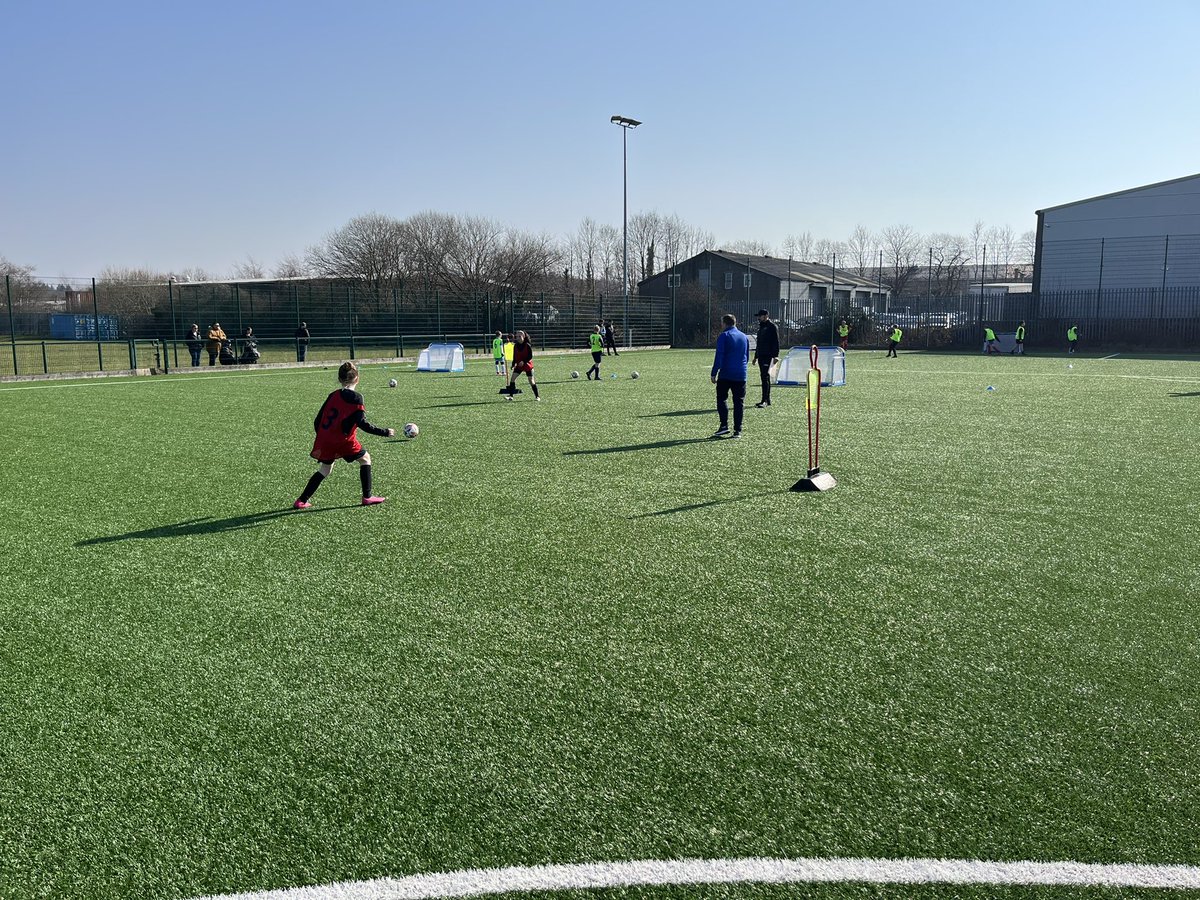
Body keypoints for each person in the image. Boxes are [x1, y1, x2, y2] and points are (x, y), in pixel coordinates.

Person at [294, 361, 394, 509]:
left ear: (339, 379)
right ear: (357, 378)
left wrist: (324, 436)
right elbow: (362, 424)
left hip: (325, 439)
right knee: (365, 459)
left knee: (325, 469)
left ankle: (301, 500)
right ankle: (367, 497)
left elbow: (318, 420)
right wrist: (385, 432)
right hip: (344, 441)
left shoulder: (333, 395)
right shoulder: (357, 398)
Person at [710, 313, 749, 438]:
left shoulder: (724, 336)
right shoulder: (744, 336)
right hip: (741, 374)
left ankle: (724, 426)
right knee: (739, 402)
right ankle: (738, 430)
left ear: (725, 323)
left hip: (726, 374)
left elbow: (719, 355)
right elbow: (746, 356)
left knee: (722, 398)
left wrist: (714, 372)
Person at [502, 330, 541, 400]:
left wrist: (524, 361)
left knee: (531, 381)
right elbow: (514, 356)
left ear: (523, 336)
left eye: (519, 336)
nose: (518, 338)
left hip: (527, 365)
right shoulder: (515, 346)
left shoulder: (527, 345)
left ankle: (537, 396)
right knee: (512, 379)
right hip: (519, 365)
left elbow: (530, 356)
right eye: (517, 336)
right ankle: (511, 396)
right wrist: (513, 364)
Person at [753, 308, 779, 408]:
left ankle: (765, 400)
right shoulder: (761, 327)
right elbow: (759, 343)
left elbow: (776, 342)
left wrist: (775, 356)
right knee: (763, 377)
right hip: (761, 355)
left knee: (765, 377)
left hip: (768, 356)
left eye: (760, 316)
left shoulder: (772, 326)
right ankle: (767, 399)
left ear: (765, 316)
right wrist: (756, 356)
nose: (758, 318)